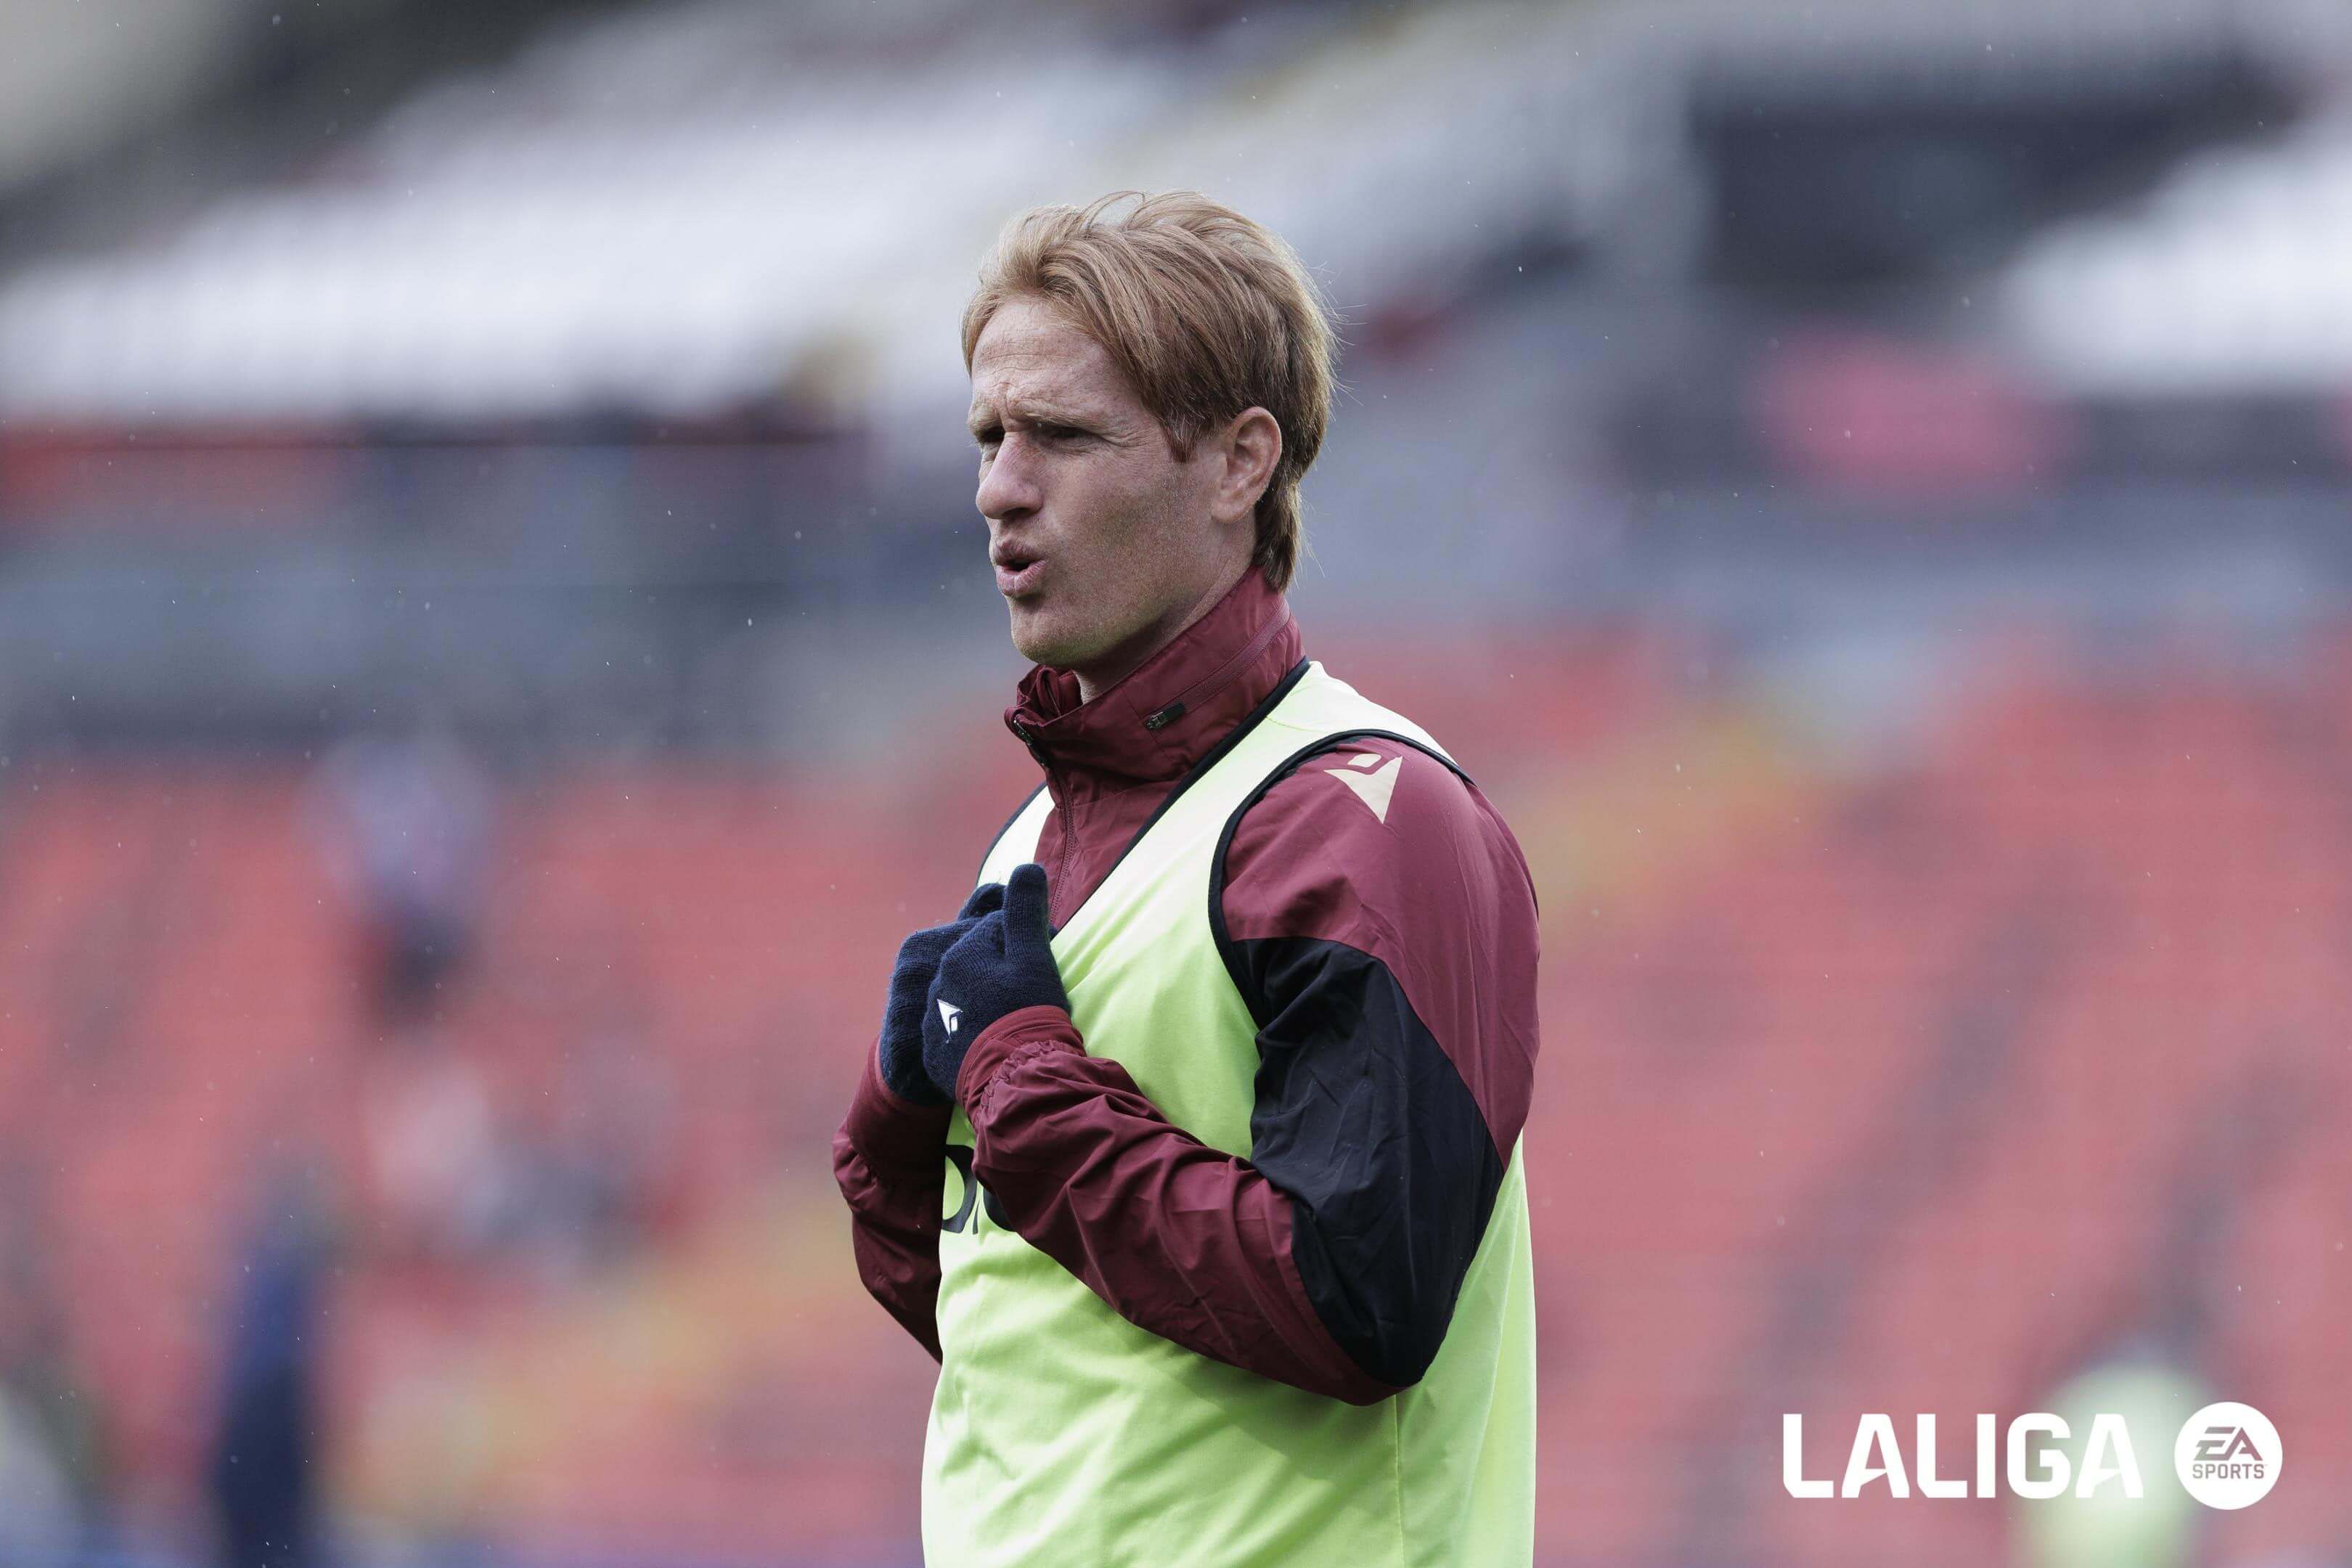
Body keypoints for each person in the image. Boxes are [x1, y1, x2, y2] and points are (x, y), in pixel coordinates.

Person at [831, 190, 1540, 1567]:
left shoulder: (1369, 819)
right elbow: (1030, 1327)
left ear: (1238, 464)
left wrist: (1025, 1088)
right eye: (988, 436)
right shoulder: (1029, 843)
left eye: (1064, 436)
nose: (998, 487)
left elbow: (1361, 1299)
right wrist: (894, 1142)